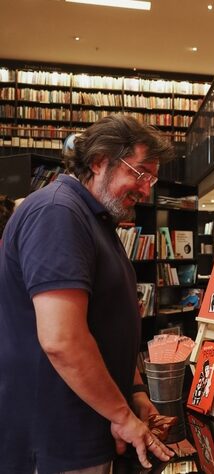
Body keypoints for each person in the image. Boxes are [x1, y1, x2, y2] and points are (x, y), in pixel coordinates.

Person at [0, 114, 176, 473]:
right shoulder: (58, 213)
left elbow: (109, 323)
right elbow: (61, 339)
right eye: (139, 173)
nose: (146, 189)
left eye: (151, 179)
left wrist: (136, 393)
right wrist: (122, 415)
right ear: (99, 162)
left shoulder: (95, 219)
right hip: (55, 439)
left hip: (84, 430)